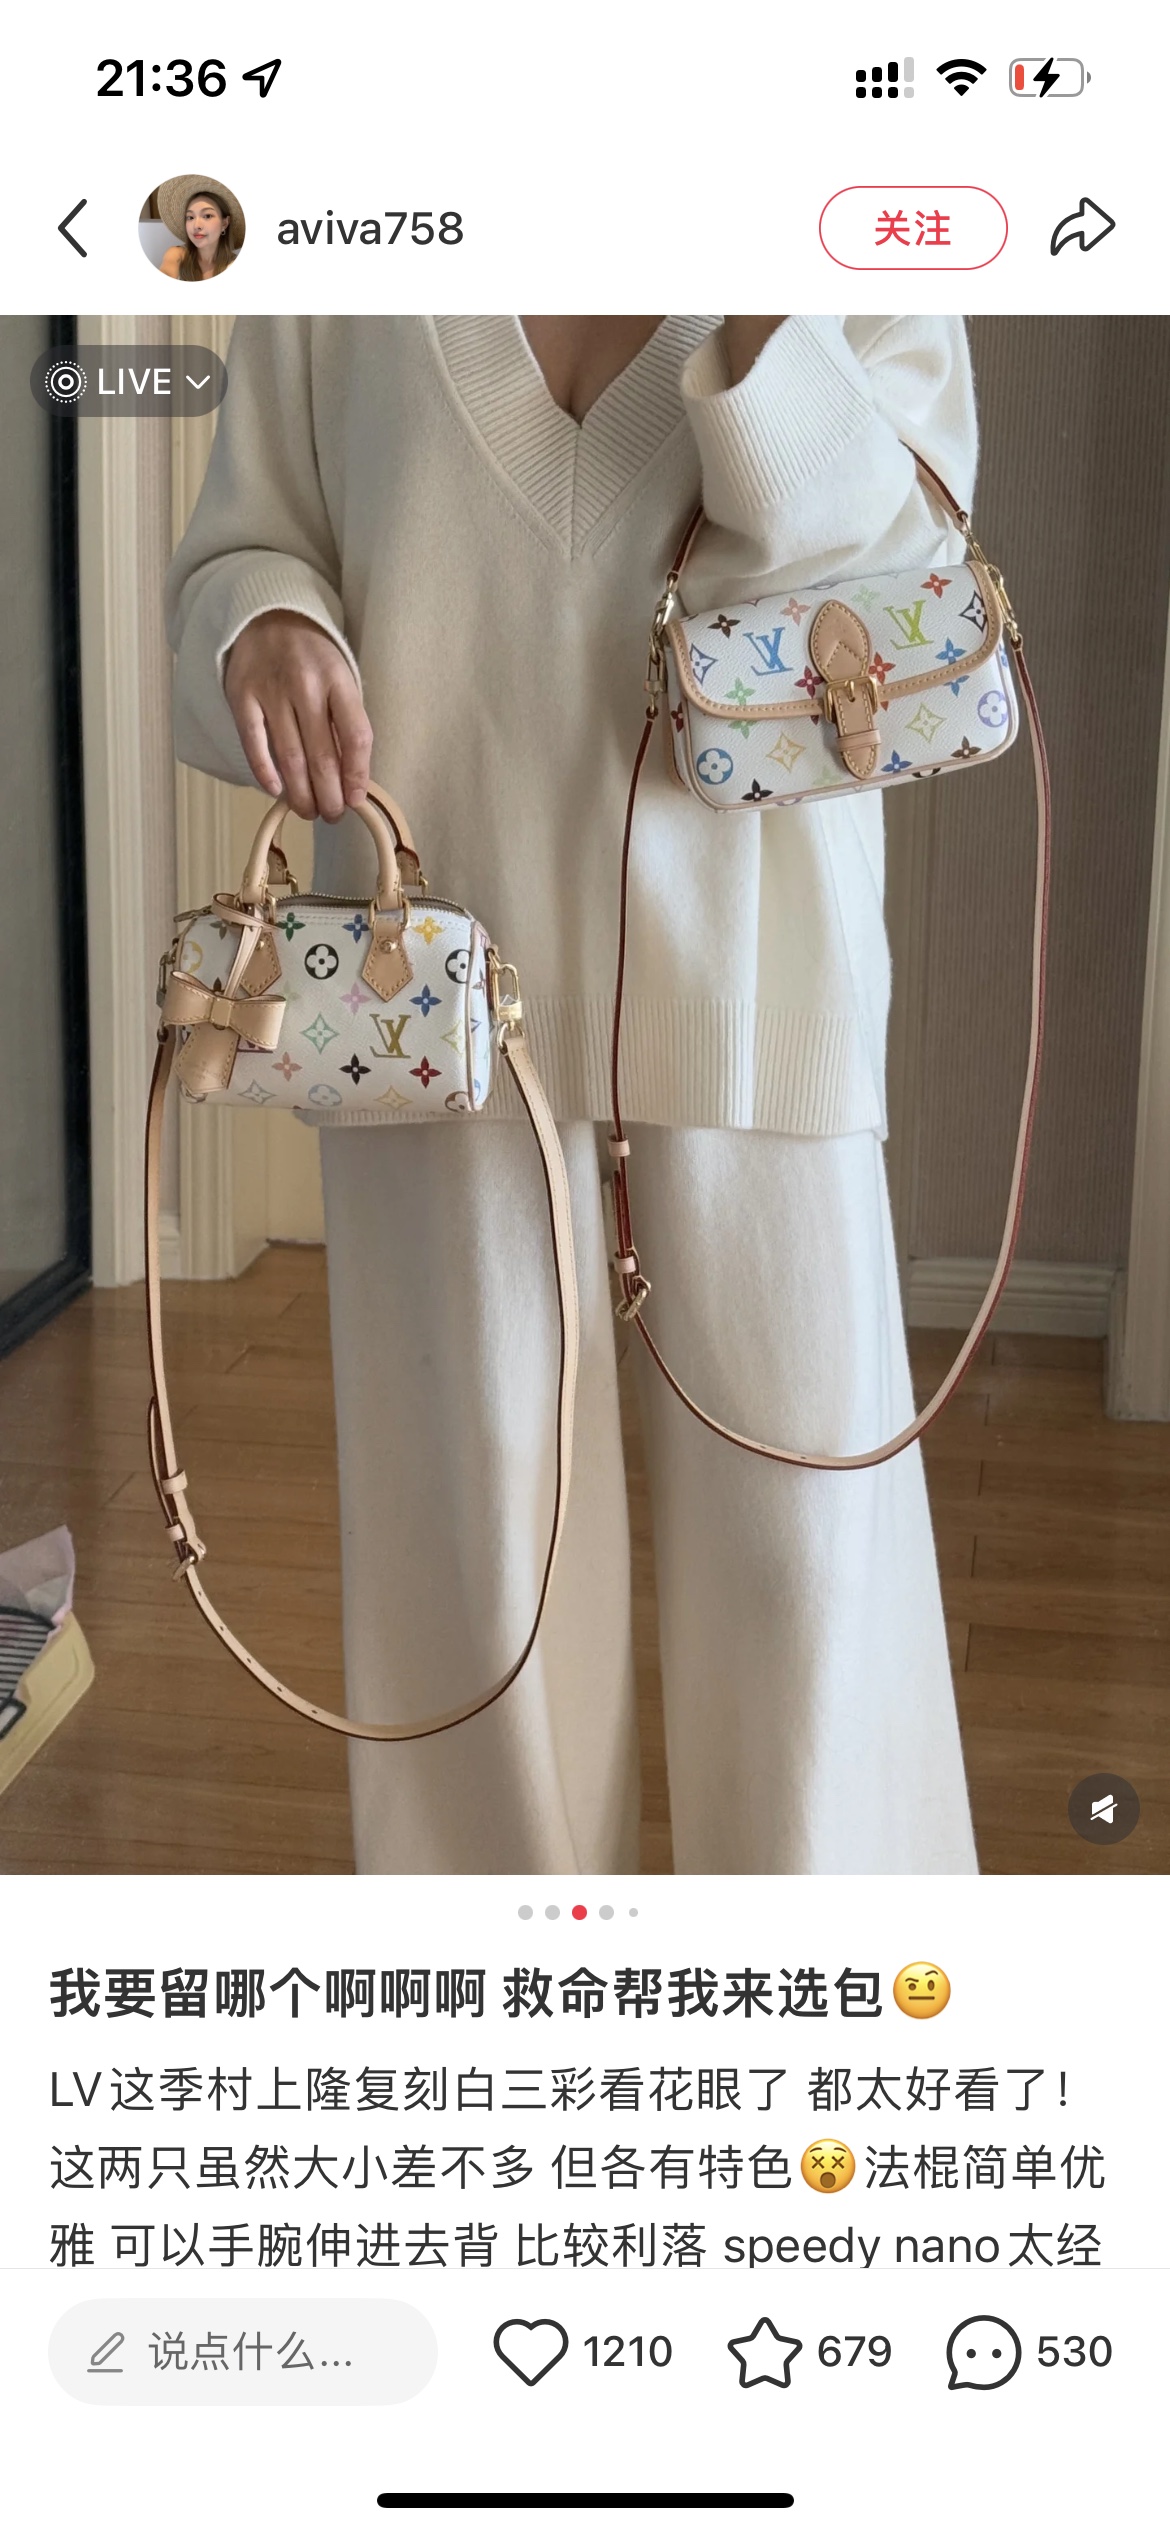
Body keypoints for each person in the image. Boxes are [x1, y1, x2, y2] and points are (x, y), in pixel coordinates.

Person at [166, 314, 980, 1877]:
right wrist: (263, 625)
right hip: (429, 987)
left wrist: (766, 310)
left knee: (812, 1578)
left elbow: (903, 572)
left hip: (762, 975)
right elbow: (243, 543)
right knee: (479, 1580)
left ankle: (829, 2001)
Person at [157, 175, 242, 280]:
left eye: (207, 216)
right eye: (190, 217)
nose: (196, 226)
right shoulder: (177, 255)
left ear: (224, 223)